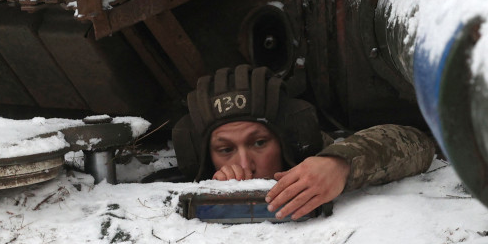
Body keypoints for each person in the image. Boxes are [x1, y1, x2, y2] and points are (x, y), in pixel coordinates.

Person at [172, 65, 436, 219]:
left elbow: (418, 144)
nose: (244, 164)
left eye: (259, 143)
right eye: (225, 149)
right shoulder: (181, 200)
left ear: (285, 140)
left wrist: (339, 164)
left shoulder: (316, 154)